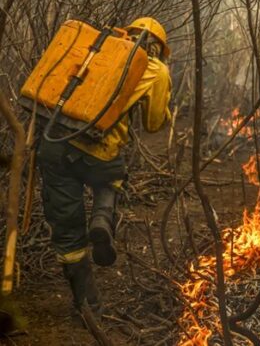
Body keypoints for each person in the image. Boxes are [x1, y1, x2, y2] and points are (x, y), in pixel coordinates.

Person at [35, 17, 172, 316]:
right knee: (111, 177)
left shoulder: (95, 48)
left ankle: (88, 303)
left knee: (68, 231)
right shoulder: (155, 68)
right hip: (99, 153)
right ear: (159, 48)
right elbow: (153, 123)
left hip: (54, 145)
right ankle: (101, 218)